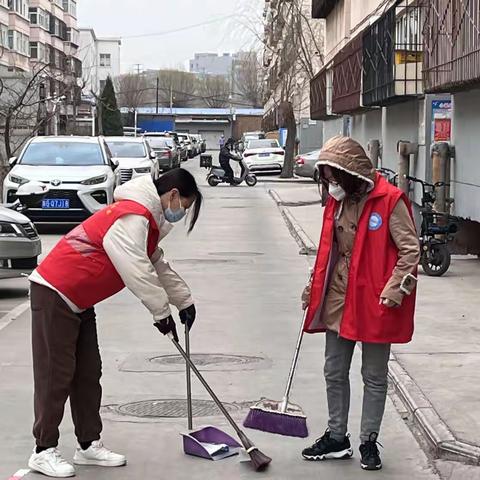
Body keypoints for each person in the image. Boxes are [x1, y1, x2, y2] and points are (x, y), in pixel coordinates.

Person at [27, 169, 202, 478]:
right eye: (184, 207)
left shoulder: (145, 222)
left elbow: (156, 264)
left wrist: (183, 301)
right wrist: (160, 312)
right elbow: (134, 266)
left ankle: (88, 445)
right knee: (56, 374)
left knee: (88, 373)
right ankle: (43, 451)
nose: (180, 213)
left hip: (79, 300)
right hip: (55, 292)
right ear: (173, 195)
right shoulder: (132, 217)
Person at [301, 136, 420, 471]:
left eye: (333, 176)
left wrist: (395, 288)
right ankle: (337, 436)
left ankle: (368, 440)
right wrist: (313, 287)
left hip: (375, 298)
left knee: (373, 374)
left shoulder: (389, 200)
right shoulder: (336, 202)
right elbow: (329, 250)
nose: (329, 184)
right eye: (326, 177)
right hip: (339, 296)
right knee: (334, 369)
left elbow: (410, 250)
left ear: (350, 174)